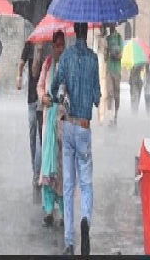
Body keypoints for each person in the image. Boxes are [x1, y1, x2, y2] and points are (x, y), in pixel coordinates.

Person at [50, 22, 101, 256]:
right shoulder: (92, 59)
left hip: (67, 126)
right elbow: (98, 98)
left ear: (74, 32)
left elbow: (53, 90)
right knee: (86, 182)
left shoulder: (67, 57)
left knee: (68, 185)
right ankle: (86, 223)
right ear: (87, 31)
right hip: (83, 127)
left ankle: (69, 242)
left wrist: (65, 87)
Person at [38, 30, 67, 227]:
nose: (60, 49)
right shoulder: (47, 64)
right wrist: (43, 98)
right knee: (47, 165)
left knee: (62, 166)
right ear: (53, 46)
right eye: (57, 45)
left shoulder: (68, 65)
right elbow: (40, 86)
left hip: (63, 121)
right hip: (48, 118)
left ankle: (64, 210)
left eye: (62, 45)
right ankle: (48, 209)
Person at [17, 40, 44, 184]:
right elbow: (21, 62)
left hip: (43, 99)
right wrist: (19, 77)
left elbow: (36, 72)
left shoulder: (48, 45)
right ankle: (35, 167)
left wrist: (39, 52)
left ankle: (37, 173)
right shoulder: (29, 43)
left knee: (40, 137)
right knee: (33, 134)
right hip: (32, 97)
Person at [104, 24, 123, 125]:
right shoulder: (107, 39)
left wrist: (115, 53)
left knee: (116, 95)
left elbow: (121, 55)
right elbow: (105, 58)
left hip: (117, 70)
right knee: (110, 93)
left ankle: (116, 114)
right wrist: (106, 49)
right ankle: (110, 118)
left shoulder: (119, 38)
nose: (110, 26)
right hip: (109, 70)